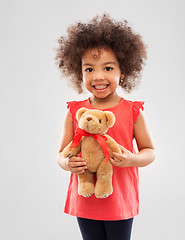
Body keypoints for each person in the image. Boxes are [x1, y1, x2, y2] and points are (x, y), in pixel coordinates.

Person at [55, 14, 155, 240]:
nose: (98, 76)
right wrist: (67, 163)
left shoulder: (132, 111)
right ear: (79, 72)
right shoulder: (75, 112)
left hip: (119, 197)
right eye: (89, 69)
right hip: (85, 195)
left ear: (124, 71)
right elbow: (62, 153)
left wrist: (132, 160)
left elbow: (149, 151)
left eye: (108, 68)